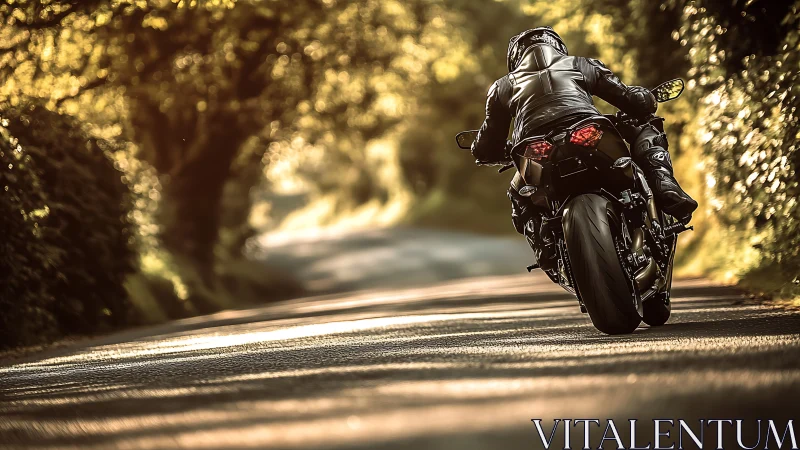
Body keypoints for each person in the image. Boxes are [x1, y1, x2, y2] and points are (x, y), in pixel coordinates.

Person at [470, 27, 697, 267]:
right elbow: (631, 100)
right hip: (587, 133)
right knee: (646, 127)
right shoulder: (581, 64)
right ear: (557, 46)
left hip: (537, 150)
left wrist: (495, 151)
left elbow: (486, 146)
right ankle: (664, 185)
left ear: (515, 59)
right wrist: (645, 99)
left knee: (518, 193)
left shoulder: (502, 87)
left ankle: (544, 247)